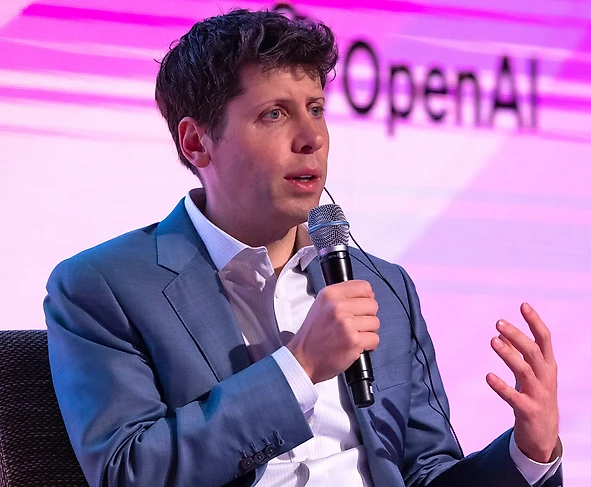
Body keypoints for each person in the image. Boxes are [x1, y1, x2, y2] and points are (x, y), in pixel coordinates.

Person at [44, 9, 563, 487]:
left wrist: (529, 454)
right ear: (196, 143)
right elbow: (128, 472)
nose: (311, 137)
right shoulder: (104, 287)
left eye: (316, 109)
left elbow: (426, 472)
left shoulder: (383, 285)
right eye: (274, 114)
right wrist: (301, 366)